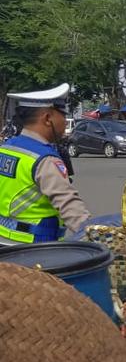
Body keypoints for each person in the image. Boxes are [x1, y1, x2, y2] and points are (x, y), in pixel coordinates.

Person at [0, 83, 91, 243]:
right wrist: (99, 237)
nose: (65, 122)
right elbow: (69, 206)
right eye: (63, 115)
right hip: (36, 248)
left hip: (5, 241)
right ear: (48, 118)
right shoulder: (44, 159)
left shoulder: (7, 148)